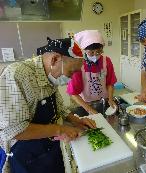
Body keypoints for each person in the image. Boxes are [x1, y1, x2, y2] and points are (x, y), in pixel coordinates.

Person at [0, 37, 96, 173]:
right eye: (71, 72)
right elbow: (15, 130)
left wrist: (77, 120)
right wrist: (60, 130)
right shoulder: (17, 75)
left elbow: (60, 107)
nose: (72, 77)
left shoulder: (49, 75)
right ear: (55, 59)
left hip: (49, 148)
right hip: (26, 157)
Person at [67, 30, 117, 116]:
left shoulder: (106, 61)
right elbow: (74, 94)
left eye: (98, 52)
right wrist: (90, 110)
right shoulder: (79, 65)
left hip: (103, 100)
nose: (95, 55)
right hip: (84, 103)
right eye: (91, 52)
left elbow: (110, 83)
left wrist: (110, 99)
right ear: (85, 50)